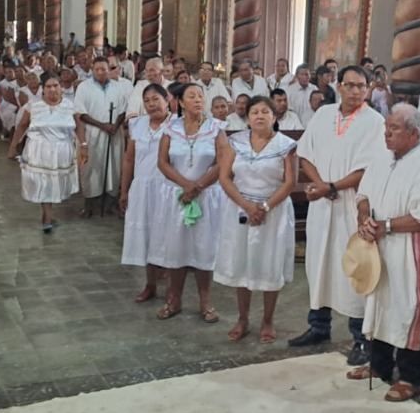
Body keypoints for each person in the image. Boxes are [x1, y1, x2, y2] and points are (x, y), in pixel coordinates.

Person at [350, 104, 420, 401]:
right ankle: (380, 366)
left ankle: (411, 376)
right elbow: (364, 195)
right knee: (381, 305)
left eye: (394, 129)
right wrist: (364, 218)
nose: (387, 134)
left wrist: (382, 225)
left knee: (408, 308)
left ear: (413, 132)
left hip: (412, 253)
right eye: (386, 128)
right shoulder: (383, 158)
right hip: (381, 247)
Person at [290, 66, 387, 365]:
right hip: (322, 203)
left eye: (361, 86)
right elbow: (305, 154)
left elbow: (370, 167)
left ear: (369, 89)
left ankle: (361, 338)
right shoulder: (323, 114)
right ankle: (319, 326)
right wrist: (320, 186)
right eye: (350, 85)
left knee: (355, 266)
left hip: (353, 203)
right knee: (319, 263)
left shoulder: (374, 122)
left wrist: (331, 186)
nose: (355, 91)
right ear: (339, 86)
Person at [215, 96, 298, 343]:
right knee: (243, 262)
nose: (260, 116)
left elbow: (290, 182)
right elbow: (225, 177)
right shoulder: (236, 142)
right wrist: (248, 206)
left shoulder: (286, 145)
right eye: (254, 112)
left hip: (274, 210)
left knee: (268, 263)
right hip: (241, 208)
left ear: (274, 117)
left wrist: (263, 206)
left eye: (265, 112)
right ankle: (243, 318)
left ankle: (268, 320)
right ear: (247, 118)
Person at [153, 83, 229, 323]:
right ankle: (174, 300)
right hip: (177, 196)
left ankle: (205, 302)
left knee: (204, 248)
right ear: (181, 102)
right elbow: (163, 162)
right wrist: (186, 185)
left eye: (200, 96)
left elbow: (222, 161)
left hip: (206, 195)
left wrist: (198, 186)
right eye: (191, 96)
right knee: (176, 248)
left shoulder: (216, 128)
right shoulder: (170, 127)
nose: (197, 100)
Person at [9, 74, 85, 231]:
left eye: (56, 86)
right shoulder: (34, 106)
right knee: (44, 183)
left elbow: (79, 127)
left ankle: (47, 215)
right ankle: (47, 217)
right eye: (48, 87)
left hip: (62, 150)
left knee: (53, 184)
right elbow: (22, 126)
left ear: (61, 89)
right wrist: (13, 145)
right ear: (43, 90)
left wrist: (84, 145)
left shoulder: (70, 106)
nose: (52, 90)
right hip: (39, 150)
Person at [121, 84, 172, 303]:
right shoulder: (137, 124)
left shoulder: (176, 125)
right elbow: (129, 158)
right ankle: (150, 285)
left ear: (167, 100)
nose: (152, 105)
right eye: (147, 101)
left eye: (156, 99)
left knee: (168, 238)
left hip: (167, 187)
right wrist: (124, 190)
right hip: (142, 187)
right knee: (146, 237)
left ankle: (172, 291)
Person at [73, 57, 132, 216]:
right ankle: (90, 203)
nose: (100, 72)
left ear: (109, 70)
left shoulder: (118, 88)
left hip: (114, 133)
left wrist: (116, 125)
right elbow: (80, 112)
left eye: (104, 69)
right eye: (97, 69)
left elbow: (124, 109)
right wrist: (102, 125)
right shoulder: (84, 87)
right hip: (93, 132)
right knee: (91, 167)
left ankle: (110, 202)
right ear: (92, 70)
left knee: (113, 166)